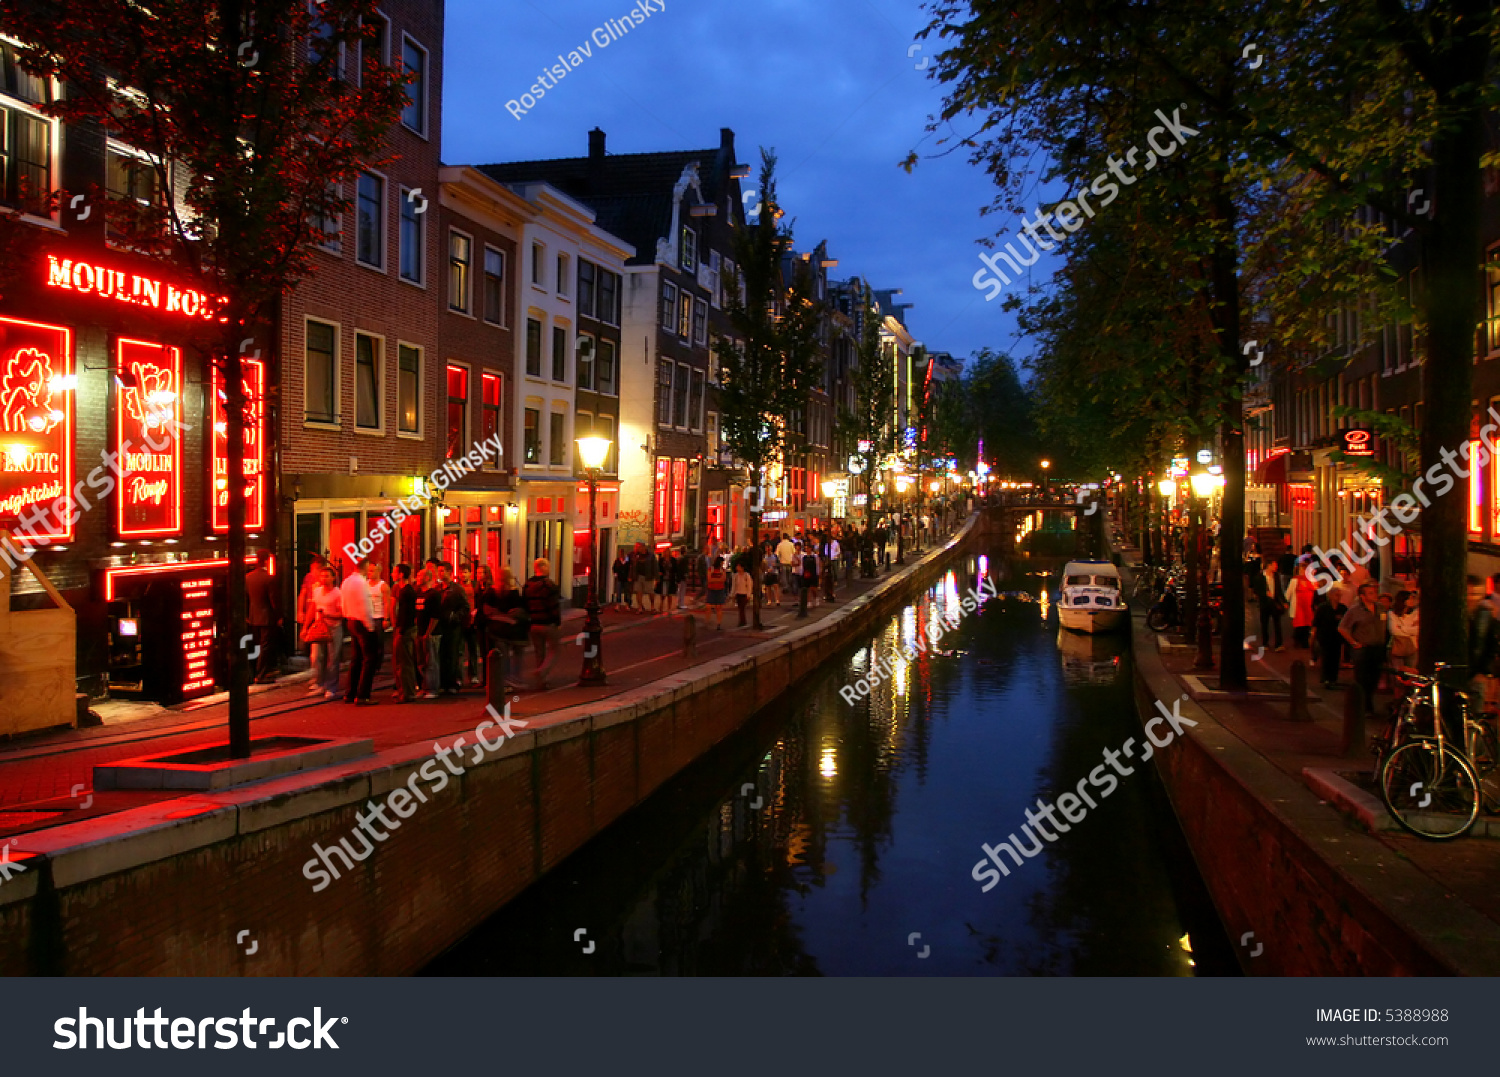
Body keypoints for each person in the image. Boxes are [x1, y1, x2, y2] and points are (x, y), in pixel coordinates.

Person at [1339, 582, 1387, 716]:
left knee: (1375, 678)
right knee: (1362, 679)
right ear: (1362, 596)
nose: (1374, 595)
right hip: (1363, 649)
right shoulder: (1355, 611)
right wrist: (1354, 642)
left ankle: (1367, 702)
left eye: (1374, 592)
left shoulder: (1381, 608)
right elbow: (1342, 628)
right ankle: (1365, 707)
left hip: (1378, 648)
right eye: (1370, 593)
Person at [340, 557, 376, 705]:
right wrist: (370, 625)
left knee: (356, 659)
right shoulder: (362, 583)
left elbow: (342, 602)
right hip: (361, 622)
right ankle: (362, 695)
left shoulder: (346, 582)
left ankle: (350, 692)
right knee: (369, 659)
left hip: (350, 620)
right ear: (365, 567)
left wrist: (347, 615)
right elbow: (365, 606)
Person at [524, 558, 563, 690]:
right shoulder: (548, 585)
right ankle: (542, 671)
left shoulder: (528, 585)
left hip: (534, 623)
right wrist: (557, 622)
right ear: (544, 568)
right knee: (555, 649)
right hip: (547, 622)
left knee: (539, 652)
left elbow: (525, 604)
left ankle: (542, 681)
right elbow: (553, 606)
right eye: (548, 567)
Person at [491, 568, 531, 689]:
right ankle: (514, 678)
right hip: (513, 629)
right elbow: (521, 609)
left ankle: (504, 679)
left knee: (503, 656)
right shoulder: (514, 593)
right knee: (517, 654)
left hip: (498, 628)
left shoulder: (494, 592)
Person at [301, 564, 335, 696]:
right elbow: (312, 609)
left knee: (332, 657)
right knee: (316, 656)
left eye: (326, 576)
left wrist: (329, 615)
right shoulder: (317, 592)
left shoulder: (337, 593)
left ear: (333, 578)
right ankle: (319, 682)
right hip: (318, 627)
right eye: (322, 576)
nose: (323, 578)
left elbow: (341, 612)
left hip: (332, 627)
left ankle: (331, 687)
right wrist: (306, 626)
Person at [245, 550, 279, 683]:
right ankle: (261, 674)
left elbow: (246, 598)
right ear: (266, 561)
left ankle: (256, 672)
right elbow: (273, 601)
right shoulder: (268, 578)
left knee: (257, 645)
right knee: (265, 646)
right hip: (266, 617)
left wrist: (248, 615)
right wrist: (278, 616)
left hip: (253, 617)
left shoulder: (248, 577)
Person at [438, 561, 469, 695]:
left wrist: (455, 617)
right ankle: (443, 682)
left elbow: (465, 607)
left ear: (449, 572)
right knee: (442, 654)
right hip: (441, 626)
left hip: (453, 627)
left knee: (453, 654)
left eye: (442, 571)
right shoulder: (438, 589)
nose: (439, 574)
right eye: (438, 571)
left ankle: (453, 682)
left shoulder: (456, 589)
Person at [390, 563, 419, 703]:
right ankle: (402, 690)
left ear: (401, 574)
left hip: (405, 630)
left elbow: (407, 613)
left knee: (405, 662)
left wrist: (401, 628)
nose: (392, 574)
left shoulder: (407, 591)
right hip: (402, 628)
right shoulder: (402, 590)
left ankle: (408, 693)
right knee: (399, 661)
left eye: (395, 572)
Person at [1247, 556, 1285, 653]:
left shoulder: (1276, 576)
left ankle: (1279, 644)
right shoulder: (1259, 577)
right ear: (1269, 566)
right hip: (1264, 603)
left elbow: (1279, 590)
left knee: (1277, 623)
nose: (1276, 567)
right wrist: (1264, 593)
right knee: (1264, 623)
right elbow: (1256, 590)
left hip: (1274, 602)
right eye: (1274, 565)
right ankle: (1265, 643)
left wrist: (1283, 601)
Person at [1312, 590, 1347, 690]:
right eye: (1336, 595)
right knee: (1326, 657)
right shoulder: (1323, 608)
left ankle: (1333, 678)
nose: (1338, 597)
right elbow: (1316, 622)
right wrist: (1314, 636)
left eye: (1340, 595)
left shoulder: (1342, 608)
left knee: (1336, 658)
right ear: (1330, 596)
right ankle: (1326, 678)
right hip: (1325, 636)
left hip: (1337, 637)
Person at [418, 562, 444, 699]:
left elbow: (435, 616)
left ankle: (433, 688)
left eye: (420, 575)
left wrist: (429, 632)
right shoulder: (419, 593)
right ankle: (424, 686)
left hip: (431, 634)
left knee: (431, 661)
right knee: (422, 661)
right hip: (420, 632)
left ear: (427, 578)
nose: (417, 578)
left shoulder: (433, 595)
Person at [363, 559, 389, 690]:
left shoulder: (383, 586)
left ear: (379, 571)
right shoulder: (365, 585)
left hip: (378, 617)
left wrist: (386, 618)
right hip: (368, 617)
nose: (370, 573)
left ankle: (377, 666)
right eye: (368, 571)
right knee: (369, 643)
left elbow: (387, 602)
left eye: (372, 571)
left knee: (378, 643)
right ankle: (370, 665)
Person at [1387, 589, 1419, 676]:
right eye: (1410, 599)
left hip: (1413, 647)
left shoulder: (1416, 613)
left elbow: (1417, 630)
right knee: (1398, 674)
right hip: (1397, 646)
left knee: (1411, 674)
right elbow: (1394, 631)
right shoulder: (1392, 614)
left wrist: (1402, 628)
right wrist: (1409, 630)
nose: (1412, 601)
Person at [458, 564, 480, 687]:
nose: (463, 575)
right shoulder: (457, 587)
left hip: (472, 622)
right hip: (462, 622)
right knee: (460, 651)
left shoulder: (474, 586)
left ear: (470, 573)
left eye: (465, 572)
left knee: (473, 650)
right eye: (461, 572)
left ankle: (474, 675)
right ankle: (459, 676)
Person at [1290, 558, 1317, 650]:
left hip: (1308, 605)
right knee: (1299, 625)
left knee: (1306, 625)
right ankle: (1298, 641)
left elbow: (1316, 589)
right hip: (1299, 606)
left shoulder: (1312, 579)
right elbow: (1289, 592)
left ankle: (1304, 642)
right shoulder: (1296, 579)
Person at [633, 543, 658, 613]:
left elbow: (655, 566)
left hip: (648, 576)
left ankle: (652, 606)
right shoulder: (636, 555)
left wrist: (656, 576)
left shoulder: (650, 555)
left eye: (640, 547)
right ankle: (640, 607)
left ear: (644, 548)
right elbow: (633, 565)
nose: (639, 549)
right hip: (638, 576)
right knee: (639, 591)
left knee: (650, 591)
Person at [704, 555, 728, 630]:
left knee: (719, 607)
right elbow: (710, 579)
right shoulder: (711, 569)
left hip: (719, 589)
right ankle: (707, 622)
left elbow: (723, 579)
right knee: (708, 607)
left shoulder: (722, 570)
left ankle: (718, 624)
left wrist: (714, 580)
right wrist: (718, 580)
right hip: (712, 589)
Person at [731, 557, 754, 627]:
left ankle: (742, 621)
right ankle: (742, 621)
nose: (737, 568)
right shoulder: (736, 576)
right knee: (740, 608)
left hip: (744, 594)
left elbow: (749, 585)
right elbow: (734, 585)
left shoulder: (746, 575)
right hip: (738, 593)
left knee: (742, 608)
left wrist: (748, 594)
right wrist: (732, 594)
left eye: (739, 566)